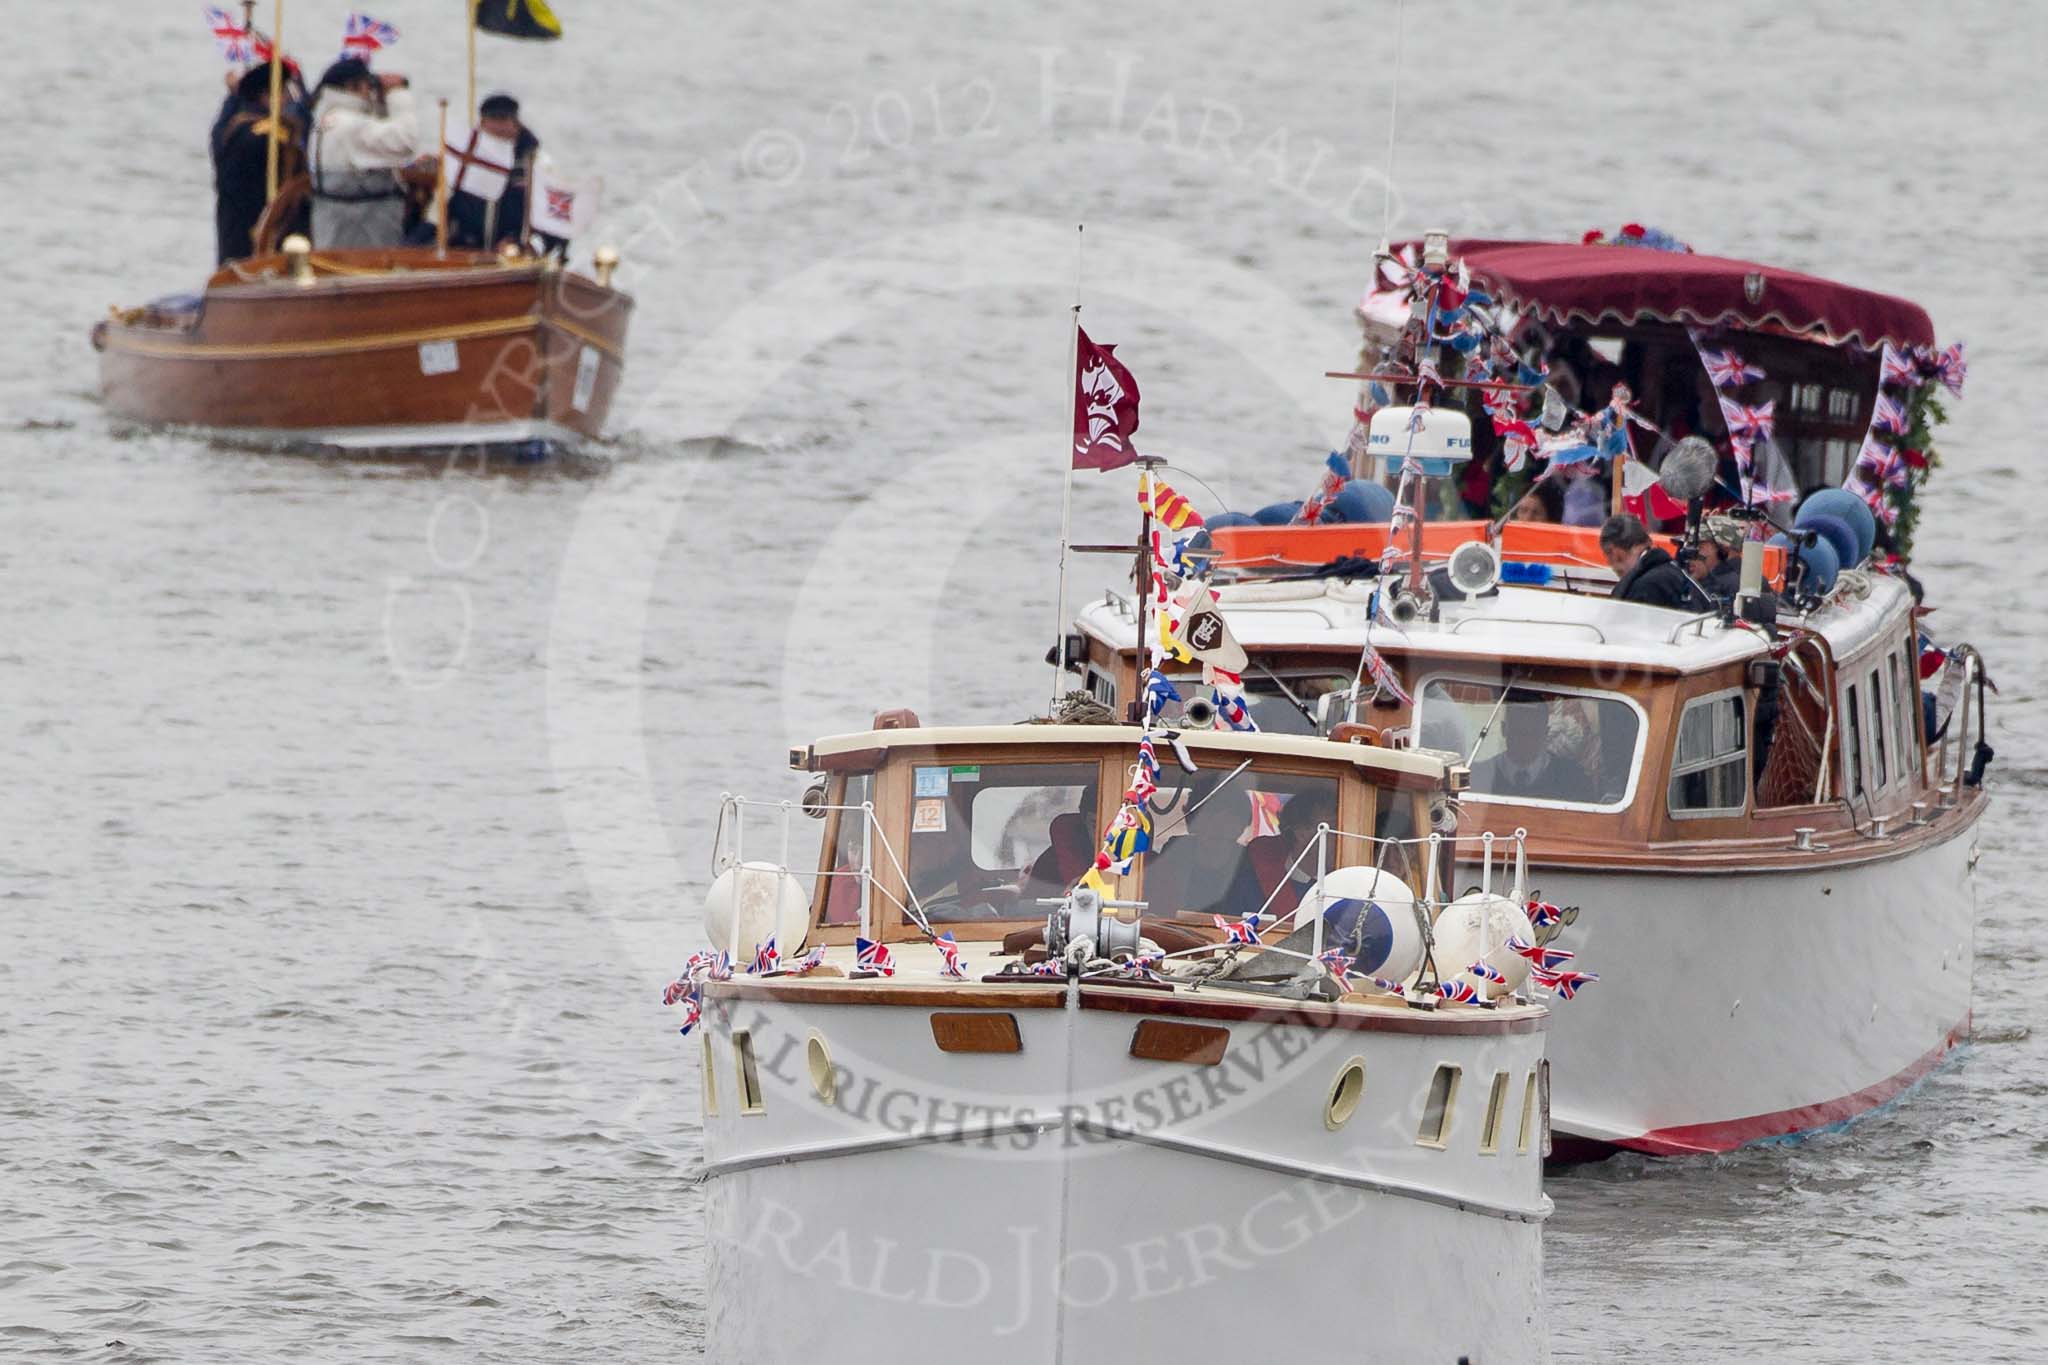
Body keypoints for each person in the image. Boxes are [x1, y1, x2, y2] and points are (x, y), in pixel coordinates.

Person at [308, 57, 421, 247]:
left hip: (333, 229)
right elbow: (406, 142)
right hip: (364, 236)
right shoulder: (350, 126)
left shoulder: (325, 121)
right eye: (368, 86)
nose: (372, 92)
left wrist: (380, 106)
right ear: (352, 87)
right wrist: (397, 95)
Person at [211, 62, 304, 263]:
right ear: (266, 96)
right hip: (259, 237)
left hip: (233, 238)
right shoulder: (266, 137)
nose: (287, 99)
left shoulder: (231, 126)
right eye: (282, 93)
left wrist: (233, 96)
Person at [1471, 698, 1595, 803]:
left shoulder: (1572, 779)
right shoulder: (1477, 776)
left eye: (1533, 733)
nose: (1525, 741)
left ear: (1545, 733)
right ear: (1504, 730)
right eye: (1519, 732)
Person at [1600, 512, 1710, 611]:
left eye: (1607, 556)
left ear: (1615, 552)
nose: (1610, 565)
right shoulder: (1677, 572)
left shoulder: (1641, 589)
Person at [1683, 516, 1744, 599]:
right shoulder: (1700, 580)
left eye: (1699, 547)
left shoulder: (1735, 585)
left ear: (1722, 549)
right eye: (1689, 546)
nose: (1691, 553)